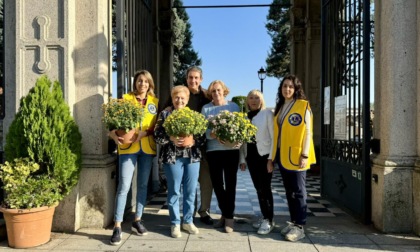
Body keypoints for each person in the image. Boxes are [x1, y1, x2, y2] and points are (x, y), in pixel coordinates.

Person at [108, 70, 159, 245]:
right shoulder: (125, 99)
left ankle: (138, 219)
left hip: (146, 147)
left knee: (143, 185)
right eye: (139, 81)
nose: (142, 84)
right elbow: (111, 122)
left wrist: (146, 132)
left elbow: (157, 126)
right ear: (135, 83)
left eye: (146, 81)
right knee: (124, 185)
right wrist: (113, 134)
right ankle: (117, 225)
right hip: (128, 148)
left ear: (150, 84)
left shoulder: (155, 102)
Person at [270, 74, 316, 242]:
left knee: (299, 191)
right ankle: (294, 222)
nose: (287, 89)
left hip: (298, 156)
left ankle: (300, 226)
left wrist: (304, 154)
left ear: (296, 89)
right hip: (283, 156)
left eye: (290, 86)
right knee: (289, 192)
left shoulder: (303, 106)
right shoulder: (281, 107)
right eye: (284, 86)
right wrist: (272, 157)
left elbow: (308, 132)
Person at [154, 85, 204, 238]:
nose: (179, 100)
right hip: (172, 157)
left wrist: (193, 141)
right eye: (176, 97)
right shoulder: (165, 114)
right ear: (172, 98)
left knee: (190, 191)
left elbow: (202, 136)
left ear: (187, 99)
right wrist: (170, 138)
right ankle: (175, 223)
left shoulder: (194, 115)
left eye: (183, 97)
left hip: (192, 157)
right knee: (174, 191)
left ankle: (188, 221)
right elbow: (156, 135)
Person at [201, 80, 240, 233]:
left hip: (231, 151)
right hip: (213, 152)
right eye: (213, 91)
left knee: (230, 185)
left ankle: (228, 218)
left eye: (218, 90)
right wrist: (214, 134)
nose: (216, 93)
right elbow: (204, 132)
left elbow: (239, 127)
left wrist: (231, 136)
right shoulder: (206, 109)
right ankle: (225, 214)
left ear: (224, 91)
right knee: (217, 185)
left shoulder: (233, 106)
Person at [239, 89, 275, 235]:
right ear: (248, 101)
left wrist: (271, 159)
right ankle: (264, 216)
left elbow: (274, 138)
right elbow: (242, 141)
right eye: (251, 98)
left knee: (265, 188)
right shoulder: (246, 117)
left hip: (264, 157)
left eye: (257, 98)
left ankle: (269, 219)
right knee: (258, 189)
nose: (254, 100)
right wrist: (242, 160)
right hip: (251, 157)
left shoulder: (267, 114)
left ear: (261, 100)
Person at [184, 66, 214, 225]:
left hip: (203, 147)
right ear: (187, 79)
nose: (193, 80)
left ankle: (204, 211)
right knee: (188, 183)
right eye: (190, 77)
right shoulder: (181, 94)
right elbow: (167, 110)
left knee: (206, 182)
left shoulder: (207, 97)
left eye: (196, 78)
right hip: (183, 148)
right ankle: (189, 212)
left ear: (201, 79)